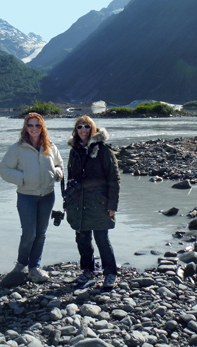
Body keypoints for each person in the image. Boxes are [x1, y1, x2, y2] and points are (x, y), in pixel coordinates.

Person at [0, 112, 63, 283]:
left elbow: (59, 165)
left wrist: (57, 173)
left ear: (42, 128)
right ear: (25, 128)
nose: (34, 128)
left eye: (37, 125)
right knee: (29, 233)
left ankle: (35, 267)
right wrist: (22, 179)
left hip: (48, 196)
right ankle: (21, 264)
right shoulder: (17, 148)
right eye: (30, 125)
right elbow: (3, 168)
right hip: (26, 196)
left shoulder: (51, 147)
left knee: (41, 233)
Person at [66, 115, 120, 289]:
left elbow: (114, 178)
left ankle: (110, 273)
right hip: (78, 202)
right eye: (80, 127)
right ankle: (87, 271)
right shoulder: (74, 151)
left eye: (87, 127)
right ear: (76, 130)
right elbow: (70, 177)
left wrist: (112, 204)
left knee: (102, 238)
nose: (83, 130)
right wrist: (67, 200)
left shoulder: (103, 150)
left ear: (93, 129)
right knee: (82, 238)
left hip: (99, 203)